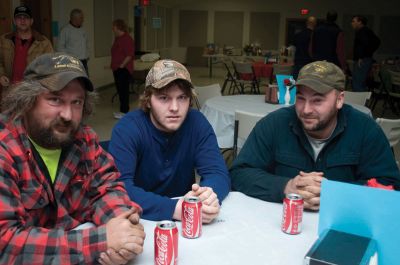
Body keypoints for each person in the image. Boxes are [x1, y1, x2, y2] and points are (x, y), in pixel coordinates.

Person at [0, 53, 145, 265]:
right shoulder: (5, 148)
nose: (67, 115)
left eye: (77, 102)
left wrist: (122, 224)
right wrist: (100, 242)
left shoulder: (83, 139)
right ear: (27, 100)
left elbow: (106, 187)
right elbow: (5, 244)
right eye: (55, 99)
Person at [230, 61, 400, 211]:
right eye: (301, 98)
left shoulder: (365, 129)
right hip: (280, 224)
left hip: (340, 227)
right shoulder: (274, 124)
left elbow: (390, 185)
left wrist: (334, 192)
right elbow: (239, 173)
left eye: (317, 100)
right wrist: (286, 187)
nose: (306, 110)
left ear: (340, 99)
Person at [109, 59, 231, 222]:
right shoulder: (128, 129)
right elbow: (119, 188)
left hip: (188, 220)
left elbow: (217, 172)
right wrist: (174, 209)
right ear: (148, 100)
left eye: (182, 97)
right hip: (140, 220)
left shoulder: (196, 122)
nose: (174, 107)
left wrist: (209, 195)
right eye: (164, 98)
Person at [0, 5, 53, 89]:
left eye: (26, 18)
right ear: (14, 21)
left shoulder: (43, 42)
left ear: (31, 21)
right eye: (19, 17)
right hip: (9, 90)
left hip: (32, 91)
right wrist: (1, 75)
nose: (22, 20)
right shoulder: (4, 40)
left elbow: (50, 66)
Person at [111, 19, 134, 119]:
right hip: (117, 69)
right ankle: (122, 110)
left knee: (123, 90)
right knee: (120, 90)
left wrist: (122, 65)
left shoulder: (127, 39)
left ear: (118, 27)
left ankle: (124, 111)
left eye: (113, 27)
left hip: (123, 69)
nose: (112, 29)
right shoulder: (117, 38)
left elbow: (129, 54)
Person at [351, 15, 380, 92]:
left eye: (354, 21)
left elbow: (364, 44)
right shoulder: (365, 31)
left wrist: (362, 56)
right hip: (364, 59)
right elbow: (376, 41)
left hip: (362, 60)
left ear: (360, 22)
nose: (352, 23)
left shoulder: (363, 31)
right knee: (359, 83)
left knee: (358, 83)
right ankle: (360, 102)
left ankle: (358, 103)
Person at [57, 8, 90, 74]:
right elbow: (60, 48)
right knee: (75, 82)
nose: (83, 19)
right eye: (81, 18)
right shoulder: (65, 30)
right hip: (72, 63)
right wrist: (70, 59)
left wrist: (87, 55)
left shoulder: (83, 30)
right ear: (74, 18)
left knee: (85, 81)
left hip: (84, 62)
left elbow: (87, 44)